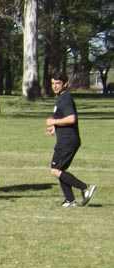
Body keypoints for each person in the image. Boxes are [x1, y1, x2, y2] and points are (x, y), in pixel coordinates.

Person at [46, 72, 97, 207]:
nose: (55, 86)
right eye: (53, 83)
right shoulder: (61, 98)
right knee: (60, 170)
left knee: (55, 170)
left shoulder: (66, 98)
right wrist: (54, 127)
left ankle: (85, 188)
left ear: (65, 84)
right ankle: (70, 200)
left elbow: (71, 118)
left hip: (67, 141)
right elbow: (64, 118)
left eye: (58, 83)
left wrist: (54, 121)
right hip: (66, 140)